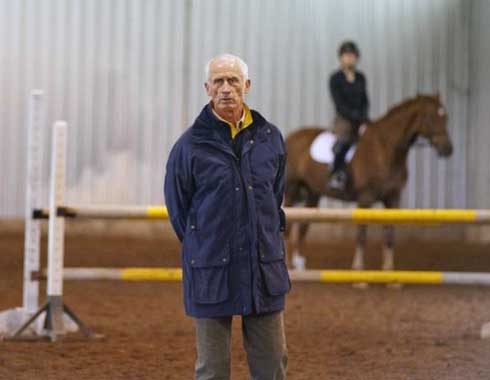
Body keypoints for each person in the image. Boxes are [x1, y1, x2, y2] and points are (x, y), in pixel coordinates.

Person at [164, 53, 289, 380]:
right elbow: (179, 213)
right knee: (212, 371)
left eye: (233, 81)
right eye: (218, 81)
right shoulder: (187, 147)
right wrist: (206, 245)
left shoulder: (271, 139)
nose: (226, 89)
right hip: (210, 271)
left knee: (272, 365)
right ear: (207, 88)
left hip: (263, 269)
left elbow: (273, 200)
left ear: (246, 86)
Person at [327, 41, 370, 190]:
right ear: (341, 58)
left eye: (352, 55)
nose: (349, 58)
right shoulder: (335, 78)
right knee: (344, 140)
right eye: (346, 55)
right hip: (344, 119)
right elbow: (339, 103)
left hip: (361, 119)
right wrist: (355, 117)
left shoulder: (360, 78)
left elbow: (365, 100)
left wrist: (364, 119)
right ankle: (336, 173)